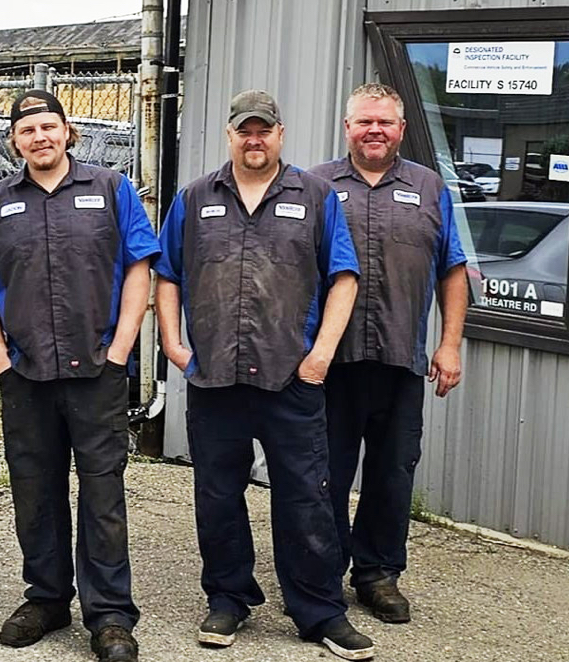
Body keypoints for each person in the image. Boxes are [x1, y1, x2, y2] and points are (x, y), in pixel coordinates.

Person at [154, 89, 375, 660]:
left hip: (291, 377)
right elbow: (169, 274)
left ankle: (319, 610)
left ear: (280, 134)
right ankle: (228, 598)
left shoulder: (317, 196)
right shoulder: (196, 197)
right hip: (214, 379)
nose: (255, 140)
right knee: (218, 495)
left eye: (265, 130)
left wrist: (321, 354)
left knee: (305, 497)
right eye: (244, 130)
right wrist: (173, 344)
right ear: (230, 135)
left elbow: (344, 278)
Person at [0, 89, 159, 662]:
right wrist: (0, 362)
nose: (39, 137)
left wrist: (120, 350)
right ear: (14, 141)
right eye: (27, 131)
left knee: (102, 493)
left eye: (49, 127)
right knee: (34, 492)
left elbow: (141, 265)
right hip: (27, 375)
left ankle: (111, 615)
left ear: (67, 132)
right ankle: (46, 598)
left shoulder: (112, 190)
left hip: (98, 370)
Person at [309, 83, 467, 624]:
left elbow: (453, 268)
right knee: (324, 470)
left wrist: (448, 344)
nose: (374, 130)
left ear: (401, 129)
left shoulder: (428, 187)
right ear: (347, 126)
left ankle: (377, 574)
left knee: (393, 471)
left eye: (385, 122)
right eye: (363, 122)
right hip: (329, 362)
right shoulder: (315, 186)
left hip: (401, 357)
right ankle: (322, 574)